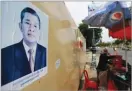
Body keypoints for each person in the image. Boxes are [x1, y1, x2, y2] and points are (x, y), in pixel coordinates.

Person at [1, 7, 46, 86]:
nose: (31, 29)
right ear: (20, 26)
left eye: (35, 26)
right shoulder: (5, 54)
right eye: (27, 23)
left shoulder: (44, 52)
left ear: (39, 30)